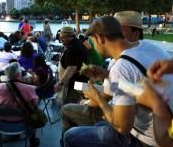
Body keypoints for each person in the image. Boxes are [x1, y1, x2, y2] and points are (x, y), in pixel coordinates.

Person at [64, 16, 171, 147]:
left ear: (100, 38)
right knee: (99, 125)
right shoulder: (147, 45)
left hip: (147, 139)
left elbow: (121, 127)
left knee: (70, 136)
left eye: (93, 41)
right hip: (166, 125)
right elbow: (136, 81)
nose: (93, 46)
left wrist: (97, 98)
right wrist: (106, 75)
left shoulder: (120, 67)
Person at [0, 62, 40, 147]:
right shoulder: (29, 89)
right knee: (34, 113)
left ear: (7, 75)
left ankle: (14, 136)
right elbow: (35, 104)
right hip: (22, 124)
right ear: (19, 74)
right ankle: (32, 140)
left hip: (3, 125)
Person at [55, 26, 88, 104]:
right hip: (82, 81)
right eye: (60, 37)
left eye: (62, 37)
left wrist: (61, 83)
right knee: (79, 101)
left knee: (70, 105)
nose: (60, 39)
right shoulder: (78, 43)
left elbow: (72, 68)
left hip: (75, 84)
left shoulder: (72, 48)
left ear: (70, 37)